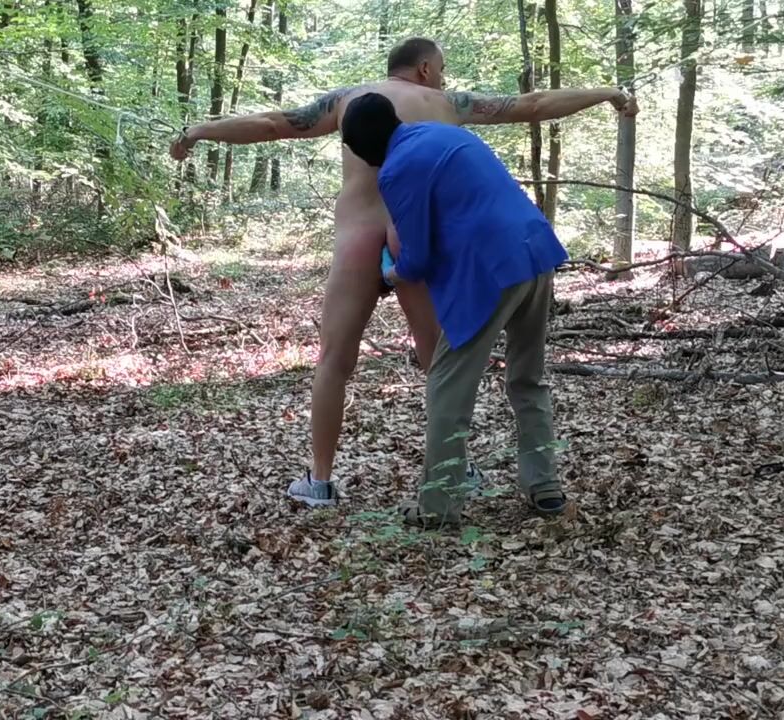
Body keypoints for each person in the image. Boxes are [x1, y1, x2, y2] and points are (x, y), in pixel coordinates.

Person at [169, 38, 637, 507]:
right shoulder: (448, 104)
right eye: (443, 68)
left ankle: (320, 481)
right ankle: (455, 470)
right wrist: (608, 93)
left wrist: (198, 132)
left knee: (334, 360)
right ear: (426, 68)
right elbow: (533, 105)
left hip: (357, 236)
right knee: (439, 361)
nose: (444, 77)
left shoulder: (350, 101)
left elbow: (273, 124)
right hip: (415, 238)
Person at [340, 91, 568, 527]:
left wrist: (388, 274)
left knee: (446, 387)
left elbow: (418, 258)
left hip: (490, 270)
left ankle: (439, 507)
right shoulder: (444, 135)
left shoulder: (397, 169)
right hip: (534, 250)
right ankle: (545, 487)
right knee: (527, 377)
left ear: (363, 150)